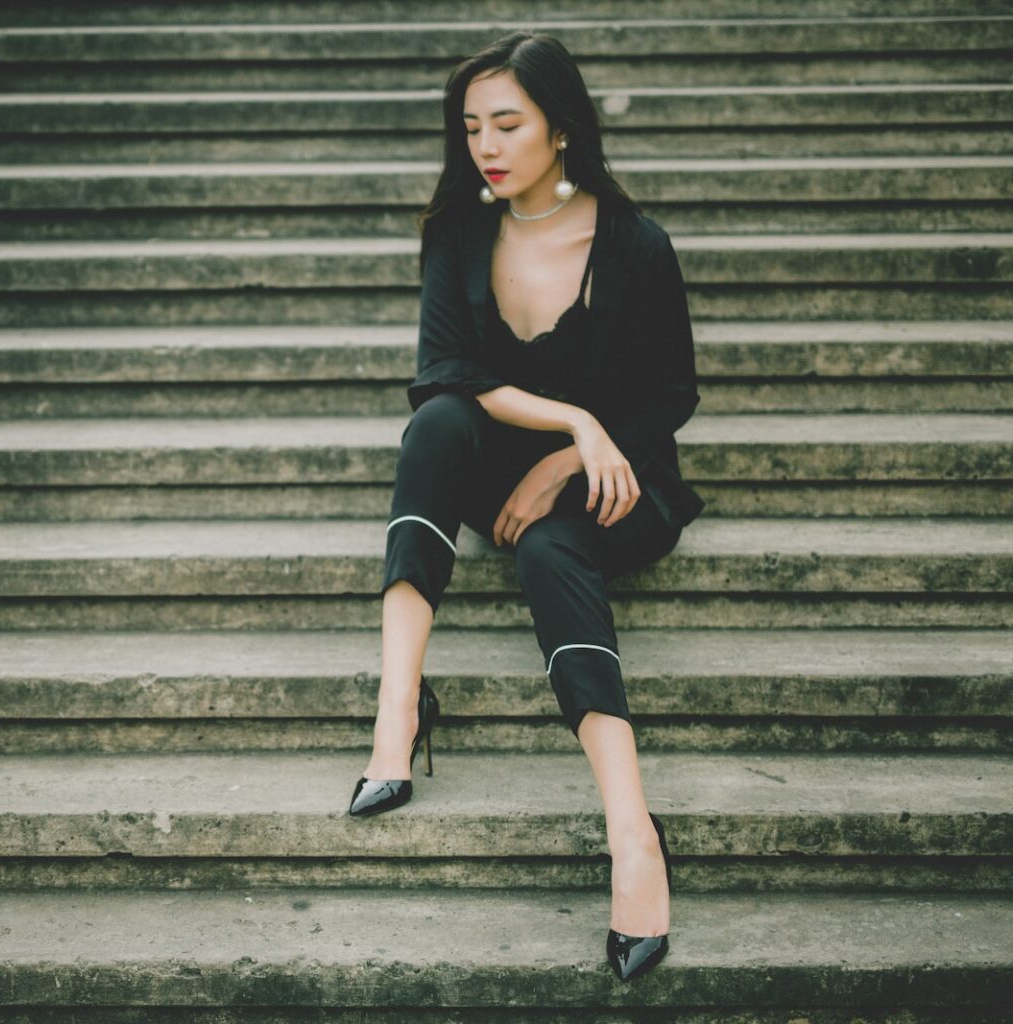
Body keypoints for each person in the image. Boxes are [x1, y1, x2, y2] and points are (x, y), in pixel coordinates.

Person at [346, 31, 707, 983]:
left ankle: (633, 836)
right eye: (471, 128)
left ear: (561, 128)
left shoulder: (635, 243)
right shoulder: (458, 232)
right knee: (434, 431)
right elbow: (446, 377)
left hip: (626, 479)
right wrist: (566, 425)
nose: (486, 147)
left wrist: (573, 459)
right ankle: (397, 710)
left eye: (508, 123)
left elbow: (670, 394)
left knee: (551, 549)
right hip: (513, 455)